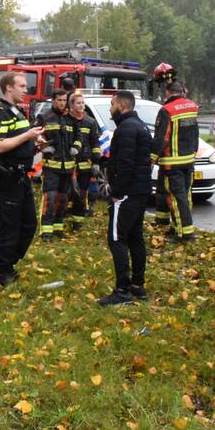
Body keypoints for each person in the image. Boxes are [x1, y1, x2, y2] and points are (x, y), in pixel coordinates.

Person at [0, 72, 45, 286]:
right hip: (7, 176)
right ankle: (3, 271)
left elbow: (19, 142)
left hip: (21, 175)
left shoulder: (18, 113)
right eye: (21, 85)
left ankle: (8, 261)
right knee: (9, 225)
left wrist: (35, 144)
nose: (25, 89)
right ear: (9, 88)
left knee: (29, 223)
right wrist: (26, 136)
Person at [99, 91, 153, 306]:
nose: (110, 108)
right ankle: (137, 285)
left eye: (112, 104)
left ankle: (122, 290)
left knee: (116, 238)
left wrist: (116, 192)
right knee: (134, 237)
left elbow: (125, 164)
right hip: (140, 191)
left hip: (127, 193)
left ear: (121, 105)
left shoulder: (126, 129)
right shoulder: (139, 125)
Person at [151, 81, 200, 242]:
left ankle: (185, 234)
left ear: (168, 92)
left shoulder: (166, 110)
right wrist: (193, 151)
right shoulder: (192, 106)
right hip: (188, 160)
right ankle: (178, 226)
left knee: (175, 197)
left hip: (172, 162)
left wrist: (151, 158)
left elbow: (162, 138)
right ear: (182, 91)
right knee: (185, 195)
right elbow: (195, 132)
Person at [36, 89, 76, 240]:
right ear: (53, 100)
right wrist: (44, 145)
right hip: (51, 167)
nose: (62, 103)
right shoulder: (44, 117)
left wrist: (76, 148)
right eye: (59, 100)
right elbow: (35, 135)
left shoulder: (70, 119)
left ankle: (58, 228)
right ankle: (46, 231)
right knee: (50, 198)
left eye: (64, 100)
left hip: (67, 167)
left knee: (63, 199)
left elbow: (79, 136)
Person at [67, 92, 102, 230]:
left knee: (81, 194)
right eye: (78, 103)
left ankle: (78, 222)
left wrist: (97, 162)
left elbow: (95, 143)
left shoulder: (90, 122)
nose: (81, 105)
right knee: (66, 193)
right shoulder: (66, 120)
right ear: (71, 105)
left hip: (84, 164)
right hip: (67, 163)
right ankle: (62, 217)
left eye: (83, 103)